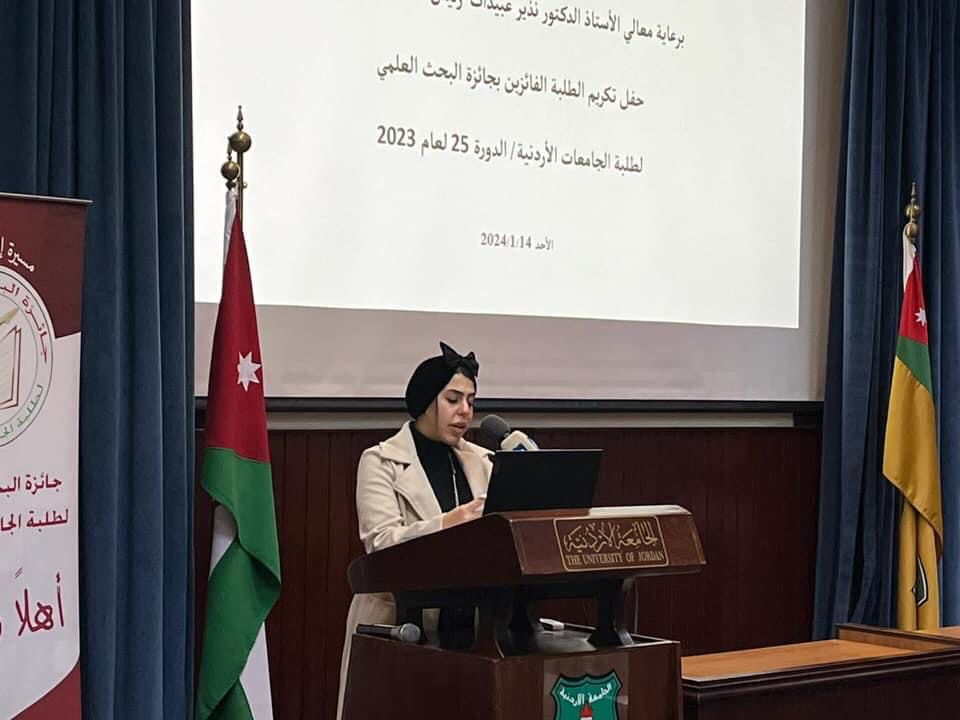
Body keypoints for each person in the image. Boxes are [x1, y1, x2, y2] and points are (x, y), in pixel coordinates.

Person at [336, 342, 492, 718]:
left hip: (471, 633)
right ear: (425, 401)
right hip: (398, 627)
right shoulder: (380, 461)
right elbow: (381, 543)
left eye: (471, 401)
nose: (465, 411)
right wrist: (446, 524)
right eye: (453, 399)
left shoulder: (485, 462)